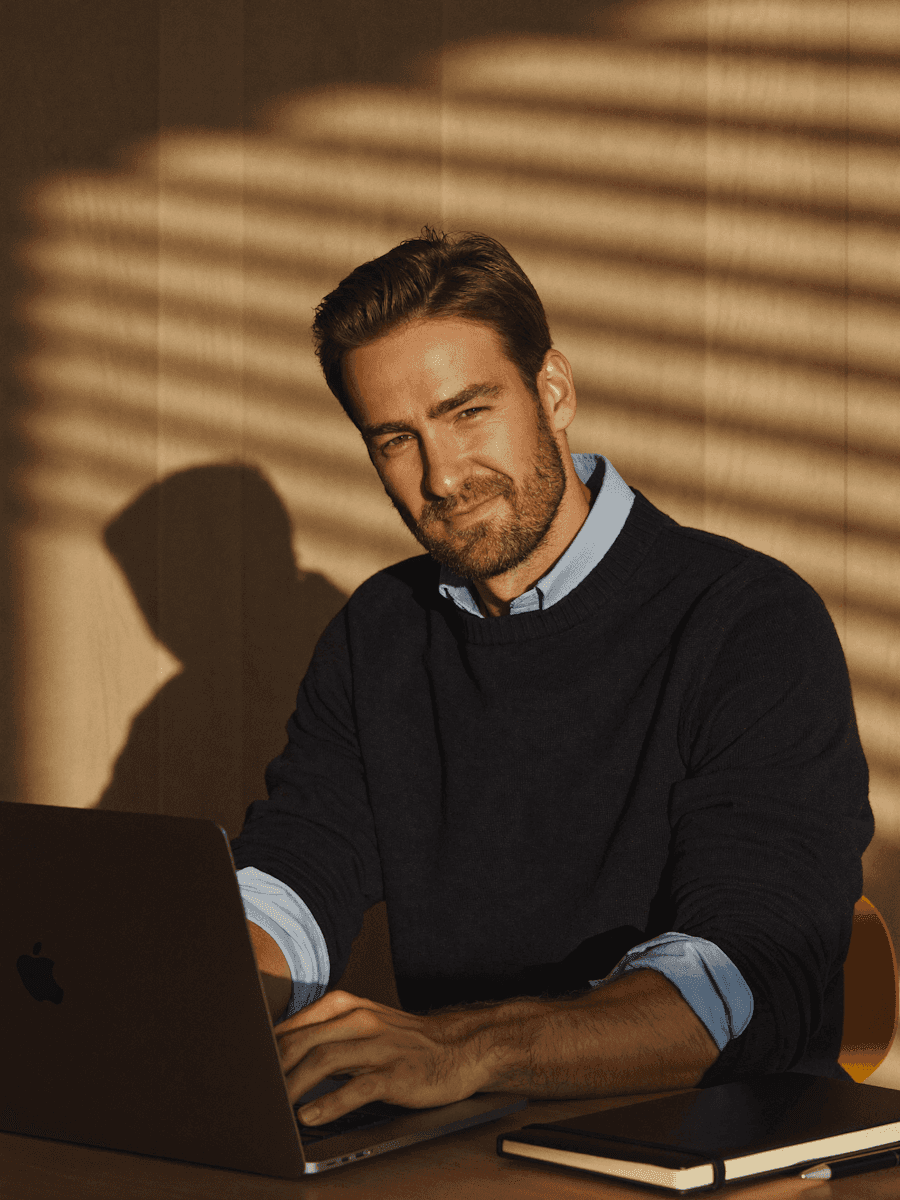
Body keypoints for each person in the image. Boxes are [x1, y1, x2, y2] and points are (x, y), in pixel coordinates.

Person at [230, 229, 873, 1129]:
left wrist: (465, 1048)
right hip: (466, 1139)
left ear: (554, 392)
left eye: (467, 412)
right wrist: (199, 991)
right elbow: (300, 871)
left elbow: (755, 971)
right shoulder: (378, 631)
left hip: (708, 1142)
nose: (443, 476)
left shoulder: (748, 622)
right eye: (395, 440)